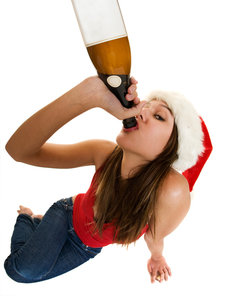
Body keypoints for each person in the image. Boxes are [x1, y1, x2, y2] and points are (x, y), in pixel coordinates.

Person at [4, 75, 212, 284]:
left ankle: (37, 224)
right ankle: (27, 219)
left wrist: (157, 257)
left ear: (173, 150)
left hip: (86, 248)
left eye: (159, 116)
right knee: (21, 270)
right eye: (146, 106)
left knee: (25, 275)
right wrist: (87, 96)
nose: (141, 111)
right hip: (66, 214)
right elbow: (18, 151)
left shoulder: (170, 189)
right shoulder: (104, 153)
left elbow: (155, 235)